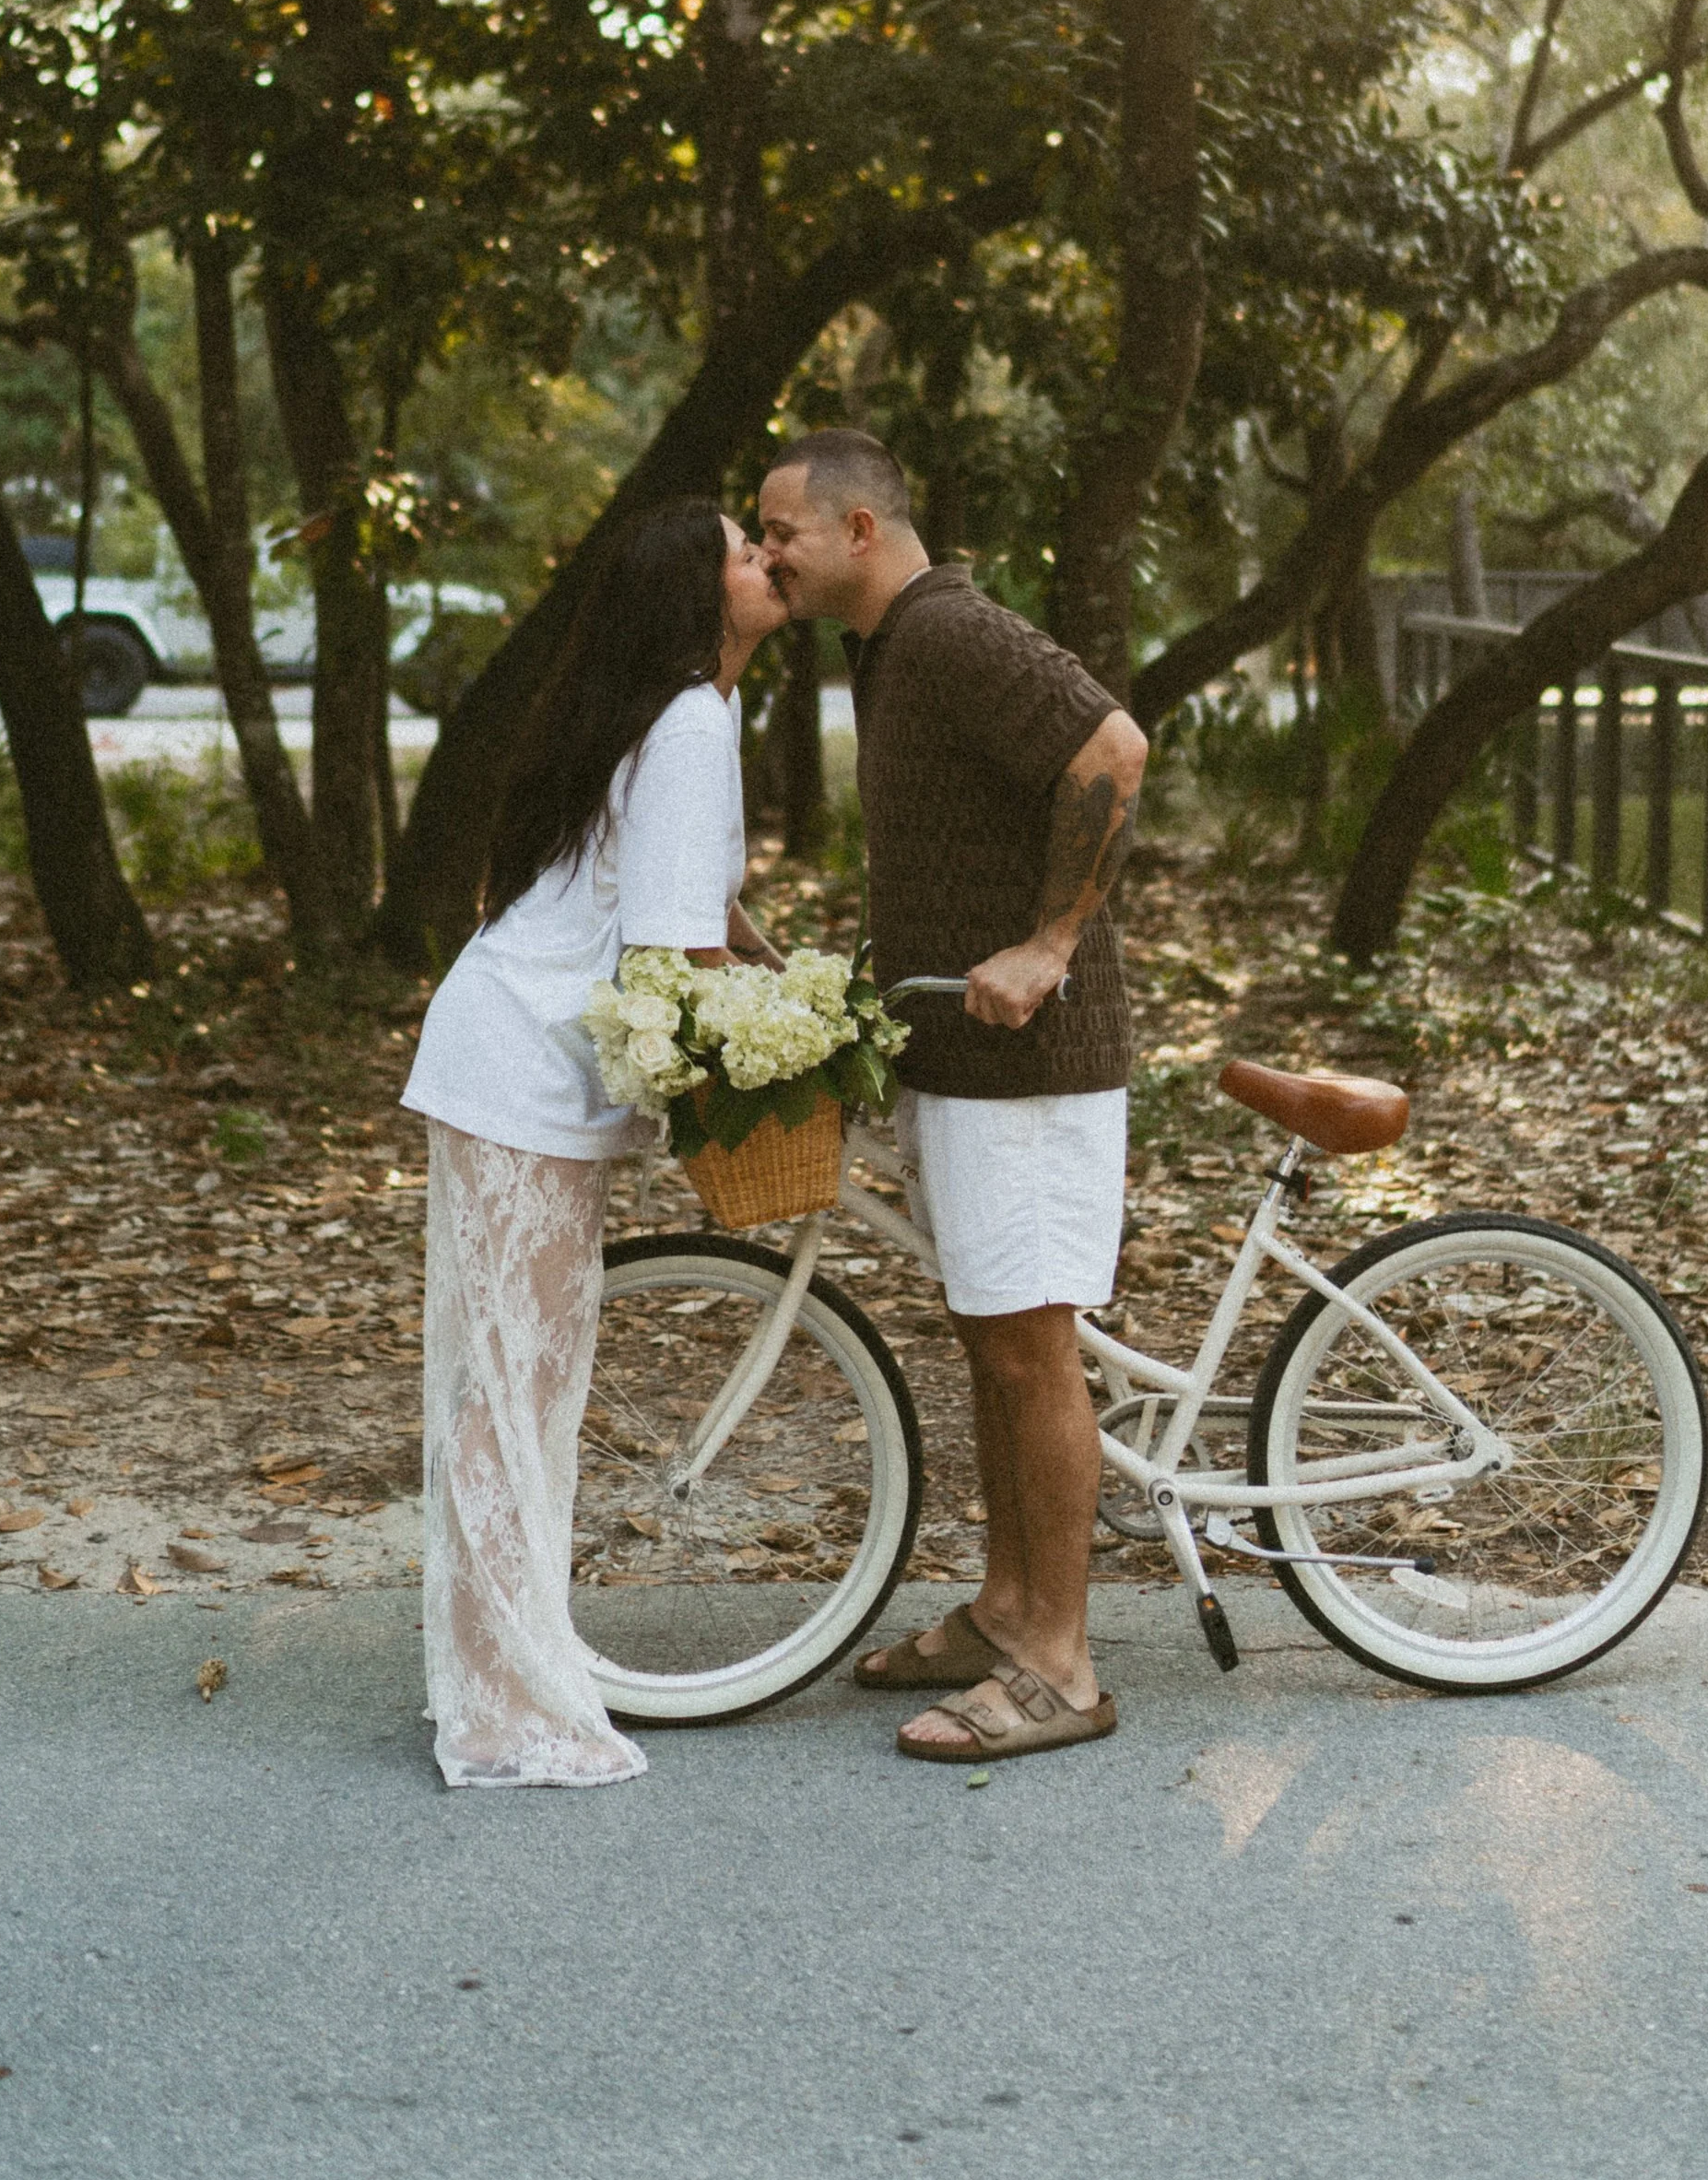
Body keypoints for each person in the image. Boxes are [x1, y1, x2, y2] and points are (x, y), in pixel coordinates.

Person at [757, 427, 1148, 1764]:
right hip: (965, 1066)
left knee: (1032, 1348)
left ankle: (1061, 1664)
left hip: (1033, 1068)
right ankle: (1005, 1610)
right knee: (994, 1342)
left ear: (860, 530)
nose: (766, 559)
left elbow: (1113, 744)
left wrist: (1049, 945)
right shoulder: (894, 648)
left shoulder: (952, 630)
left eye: (782, 535)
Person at [398, 500, 789, 1787]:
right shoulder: (686, 721)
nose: (767, 559)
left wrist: (807, 991)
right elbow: (672, 956)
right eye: (745, 549)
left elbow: (707, 916)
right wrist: (757, 1069)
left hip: (510, 1063)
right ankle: (504, 1699)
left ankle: (495, 1656)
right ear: (696, 595)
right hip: (518, 1071)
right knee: (511, 1388)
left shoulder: (680, 715)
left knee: (515, 1380)